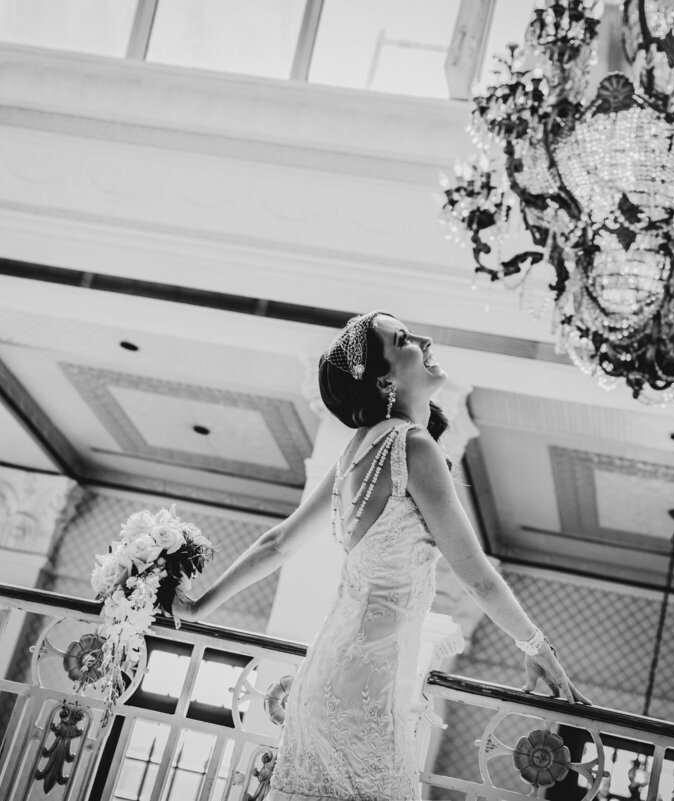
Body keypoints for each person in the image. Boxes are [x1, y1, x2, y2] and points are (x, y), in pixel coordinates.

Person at [173, 311, 589, 800]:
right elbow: (476, 578)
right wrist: (537, 646)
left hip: (324, 675)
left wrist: (200, 607)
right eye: (404, 339)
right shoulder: (415, 448)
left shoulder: (357, 449)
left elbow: (278, 543)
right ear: (385, 381)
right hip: (368, 691)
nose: (426, 339)